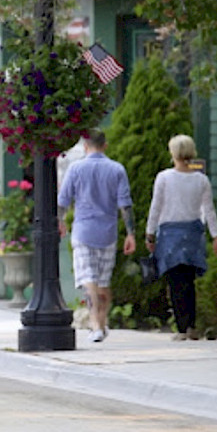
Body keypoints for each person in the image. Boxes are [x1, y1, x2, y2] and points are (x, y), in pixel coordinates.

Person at [57, 128, 136, 343]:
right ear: (105, 145)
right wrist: (131, 233)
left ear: (85, 146)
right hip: (108, 233)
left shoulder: (75, 169)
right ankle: (102, 322)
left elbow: (63, 200)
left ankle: (95, 324)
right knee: (102, 281)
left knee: (88, 280)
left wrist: (60, 221)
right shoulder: (117, 169)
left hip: (83, 231)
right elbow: (125, 205)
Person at [145, 134, 217, 341]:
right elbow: (209, 210)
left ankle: (182, 327)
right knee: (189, 280)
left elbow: (156, 206)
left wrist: (150, 233)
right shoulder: (201, 180)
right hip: (192, 235)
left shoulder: (164, 178)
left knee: (175, 281)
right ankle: (191, 325)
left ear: (173, 153)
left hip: (170, 234)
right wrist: (216, 236)